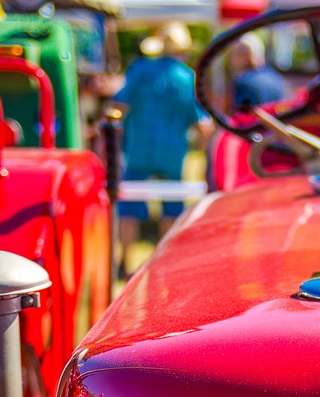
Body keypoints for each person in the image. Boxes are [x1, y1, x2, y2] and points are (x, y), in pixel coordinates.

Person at [112, 22, 212, 276]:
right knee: (172, 205)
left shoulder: (140, 69)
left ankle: (124, 262)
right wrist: (205, 151)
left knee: (129, 207)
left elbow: (119, 106)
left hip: (138, 150)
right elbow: (200, 122)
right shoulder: (186, 77)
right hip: (172, 152)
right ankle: (163, 263)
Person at [229, 31, 289, 110]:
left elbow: (240, 118)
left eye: (234, 54)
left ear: (245, 56)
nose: (231, 59)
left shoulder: (243, 83)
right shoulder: (275, 77)